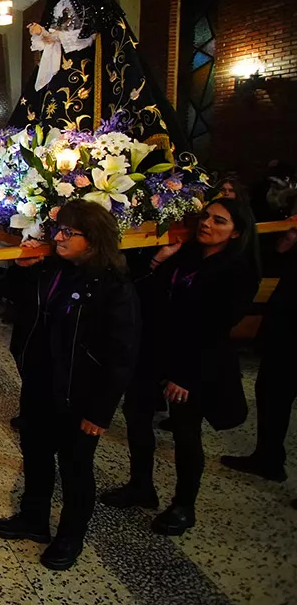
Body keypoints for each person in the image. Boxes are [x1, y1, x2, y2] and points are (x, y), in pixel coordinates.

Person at [0, 200, 139, 570]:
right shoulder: (53, 269)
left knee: (75, 468)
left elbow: (122, 354)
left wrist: (100, 411)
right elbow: (21, 303)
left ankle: (70, 535)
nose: (60, 237)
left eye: (70, 232)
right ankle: (33, 518)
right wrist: (23, 270)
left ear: (94, 238)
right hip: (40, 382)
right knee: (36, 456)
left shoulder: (112, 285)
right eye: (59, 230)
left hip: (79, 392)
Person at [102, 198, 259, 535]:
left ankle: (184, 505)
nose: (207, 223)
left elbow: (216, 327)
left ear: (236, 233)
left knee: (187, 434)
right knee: (136, 415)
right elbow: (148, 294)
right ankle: (141, 484)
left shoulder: (238, 270)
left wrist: (183, 375)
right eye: (205, 216)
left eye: (220, 221)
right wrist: (159, 259)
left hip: (195, 362)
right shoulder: (187, 257)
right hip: (156, 352)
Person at [7, 0, 184, 150]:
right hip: (57, 64)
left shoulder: (87, 4)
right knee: (50, 103)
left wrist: (57, 37)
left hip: (80, 63)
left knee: (76, 102)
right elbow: (50, 39)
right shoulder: (57, 7)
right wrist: (41, 33)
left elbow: (89, 33)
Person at [221, 215, 297, 483]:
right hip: (285, 329)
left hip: (290, 330)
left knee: (275, 392)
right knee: (272, 394)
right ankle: (268, 457)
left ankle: (269, 458)